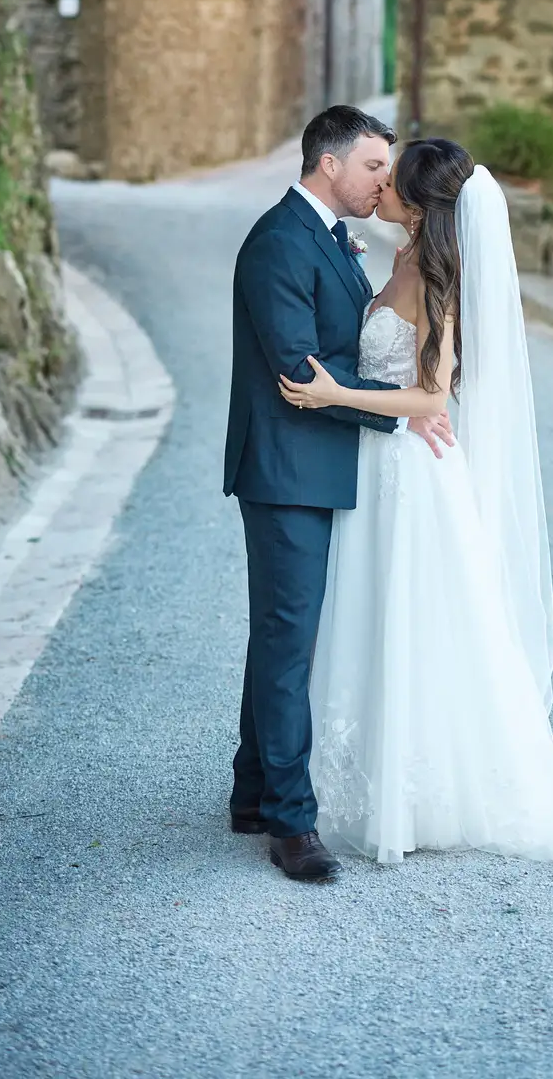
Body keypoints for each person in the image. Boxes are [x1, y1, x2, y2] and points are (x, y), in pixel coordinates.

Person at [279, 137, 553, 865]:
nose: (380, 185)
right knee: (371, 617)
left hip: (409, 472)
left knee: (413, 619)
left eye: (390, 177)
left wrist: (335, 393)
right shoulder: (401, 259)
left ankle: (422, 790)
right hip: (375, 464)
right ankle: (351, 778)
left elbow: (432, 395)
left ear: (418, 202)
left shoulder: (439, 279)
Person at [223, 106, 454, 882]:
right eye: (373, 168)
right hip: (288, 468)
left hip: (326, 461)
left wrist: (410, 407)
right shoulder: (278, 243)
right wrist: (402, 414)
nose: (384, 182)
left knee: (283, 637)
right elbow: (301, 373)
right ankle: (293, 824)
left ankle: (254, 791)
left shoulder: (325, 237)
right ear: (329, 165)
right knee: (291, 641)